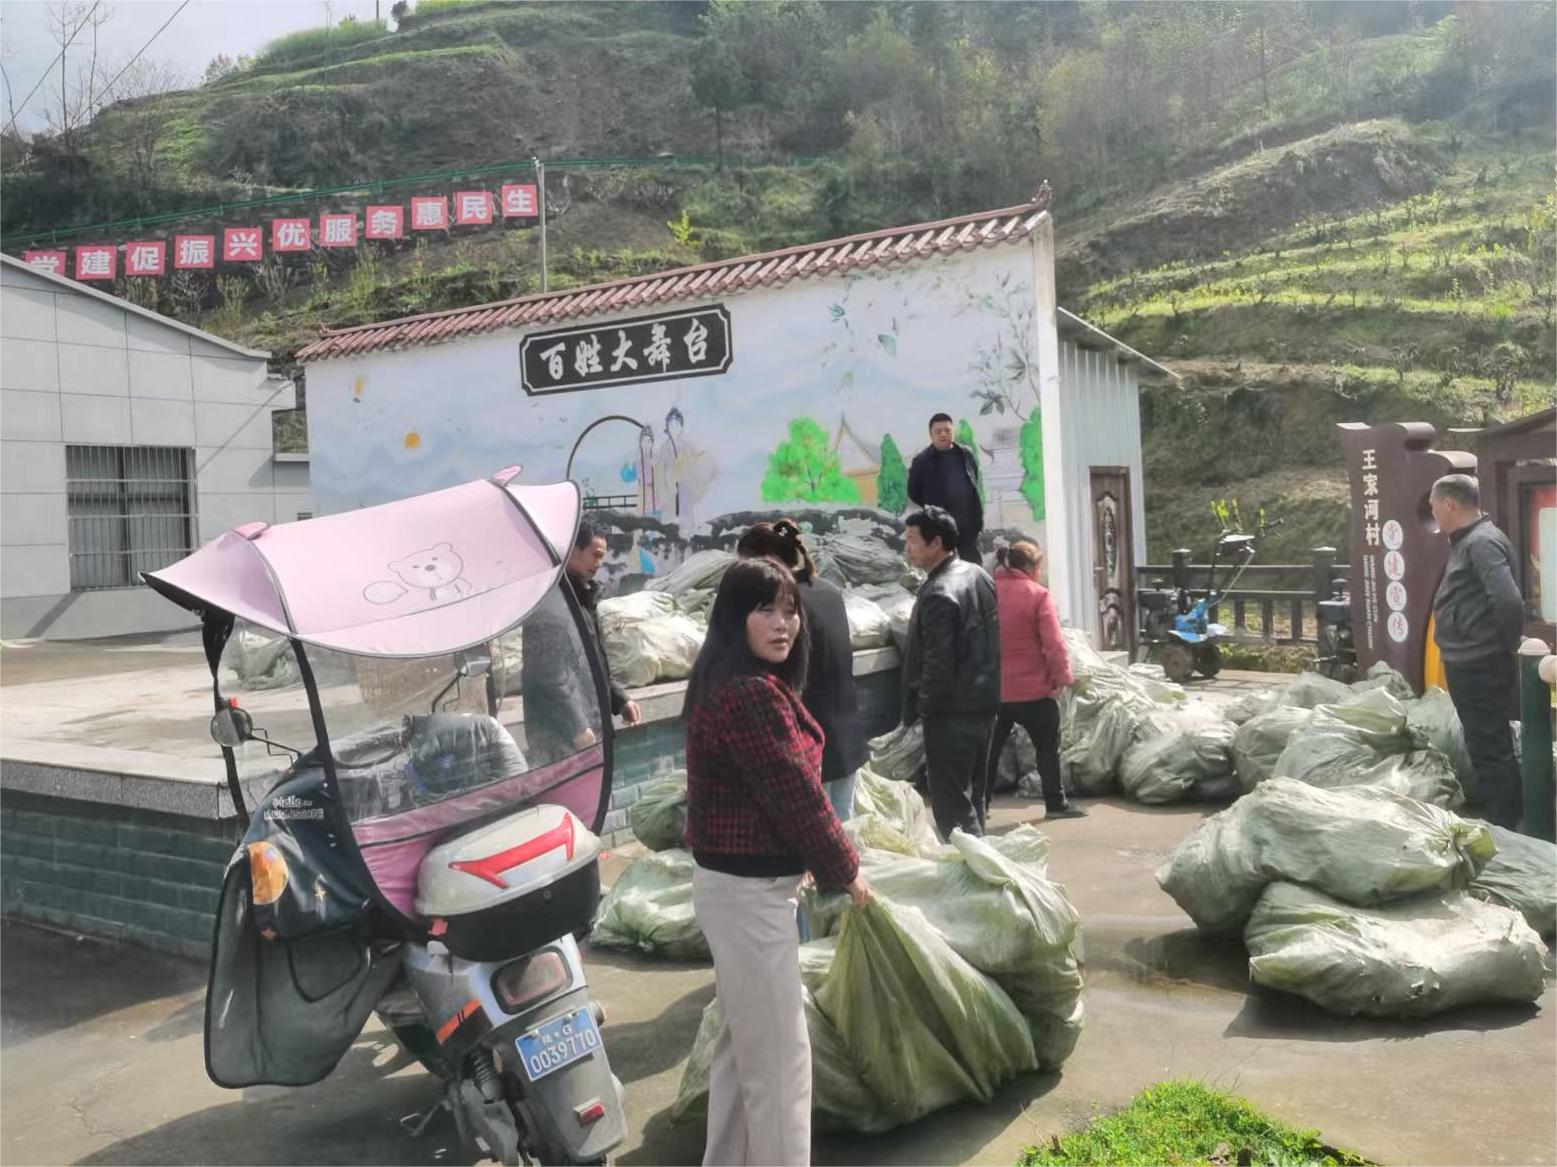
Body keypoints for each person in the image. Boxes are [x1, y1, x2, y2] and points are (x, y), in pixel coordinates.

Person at [684, 559, 870, 1167]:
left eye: (790, 610)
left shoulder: (736, 681)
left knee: (744, 1052)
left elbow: (773, 796)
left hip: (741, 889)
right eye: (764, 609)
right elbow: (797, 795)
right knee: (782, 1067)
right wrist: (846, 869)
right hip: (749, 898)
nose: (782, 623)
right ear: (734, 617)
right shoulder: (751, 694)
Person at [735, 520, 865, 821]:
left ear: (767, 560)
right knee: (844, 831)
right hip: (845, 736)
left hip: (807, 744)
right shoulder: (829, 591)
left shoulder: (781, 606)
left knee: (815, 836)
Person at [1430, 473, 1526, 829]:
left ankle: (1505, 825)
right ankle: (1504, 817)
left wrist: (1502, 647)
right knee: (1484, 742)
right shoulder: (1469, 540)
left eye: (1434, 507)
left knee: (1489, 747)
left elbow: (1508, 601)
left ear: (1449, 505)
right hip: (1472, 659)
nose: (1433, 514)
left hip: (1480, 663)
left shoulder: (1481, 542)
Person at [900, 505, 1001, 838]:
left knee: (953, 806)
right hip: (984, 704)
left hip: (951, 712)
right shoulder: (978, 575)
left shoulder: (939, 592)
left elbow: (938, 662)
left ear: (936, 543)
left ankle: (972, 864)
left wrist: (924, 706)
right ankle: (981, 860)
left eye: (912, 540)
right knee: (973, 796)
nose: (906, 547)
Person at [520, 522, 640, 764]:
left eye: (602, 557)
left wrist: (620, 699)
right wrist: (576, 726)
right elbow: (547, 676)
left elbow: (591, 663)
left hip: (590, 723)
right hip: (560, 737)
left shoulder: (582, 599)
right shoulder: (553, 602)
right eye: (595, 555)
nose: (599, 563)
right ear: (573, 550)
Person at [985, 541, 1087, 822]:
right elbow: (1053, 643)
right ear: (1031, 566)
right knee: (1047, 750)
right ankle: (1055, 804)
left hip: (994, 691)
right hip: (1034, 691)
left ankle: (979, 806)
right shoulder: (1038, 595)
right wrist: (1062, 677)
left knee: (989, 752)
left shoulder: (987, 592)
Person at [907, 412, 984, 564]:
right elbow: (913, 492)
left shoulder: (965, 454)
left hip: (967, 528)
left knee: (973, 568)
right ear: (931, 435)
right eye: (938, 431)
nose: (943, 434)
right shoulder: (921, 461)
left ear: (953, 432)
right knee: (943, 569)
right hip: (939, 529)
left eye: (947, 430)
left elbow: (974, 479)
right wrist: (933, 507)